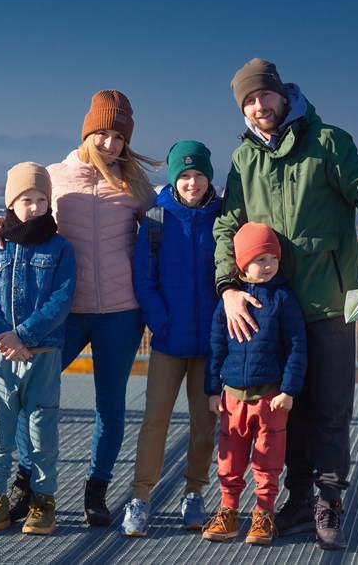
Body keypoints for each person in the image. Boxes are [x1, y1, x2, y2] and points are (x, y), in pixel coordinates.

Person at [212, 58, 358, 550]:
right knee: (284, 408)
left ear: (282, 94)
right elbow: (228, 224)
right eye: (248, 100)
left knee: (331, 407)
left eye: (264, 95)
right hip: (271, 308)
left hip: (329, 302)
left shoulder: (328, 143)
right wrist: (228, 287)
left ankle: (329, 501)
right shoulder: (244, 159)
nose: (258, 105)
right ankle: (297, 500)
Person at [0, 90, 159, 527]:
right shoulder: (56, 176)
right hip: (64, 313)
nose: (110, 144)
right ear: (87, 132)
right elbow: (22, 210)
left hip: (121, 311)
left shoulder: (134, 184)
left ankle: (96, 490)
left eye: (119, 137)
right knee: (29, 395)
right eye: (103, 133)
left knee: (110, 405)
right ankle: (28, 485)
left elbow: (165, 222)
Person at [119, 140, 222, 537]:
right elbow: (143, 281)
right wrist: (161, 323)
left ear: (208, 177)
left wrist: (220, 329)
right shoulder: (157, 220)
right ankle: (140, 497)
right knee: (155, 421)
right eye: (184, 175)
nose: (192, 182)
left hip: (210, 343)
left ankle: (194, 493)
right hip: (167, 341)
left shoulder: (224, 217)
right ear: (173, 179)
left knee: (204, 423)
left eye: (198, 175)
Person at [0, 162, 77, 536]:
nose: (34, 207)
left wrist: (24, 336)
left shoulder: (61, 247)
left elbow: (61, 299)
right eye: (26, 200)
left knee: (41, 429)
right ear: (11, 204)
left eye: (41, 200)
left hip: (43, 352)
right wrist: (5, 336)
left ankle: (43, 501)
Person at [201, 222, 306, 546]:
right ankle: (228, 512)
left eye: (273, 258)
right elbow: (216, 346)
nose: (269, 265)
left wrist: (288, 390)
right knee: (229, 458)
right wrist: (212, 390)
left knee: (267, 460)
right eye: (260, 259)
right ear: (243, 263)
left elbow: (296, 346)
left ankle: (263, 515)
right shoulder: (229, 302)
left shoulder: (284, 299)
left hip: (270, 397)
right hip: (232, 397)